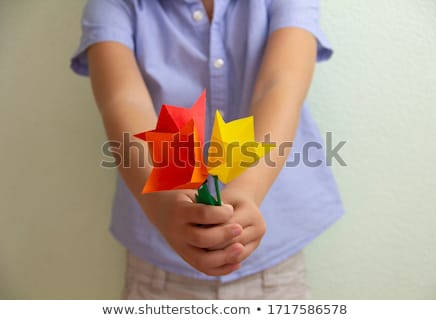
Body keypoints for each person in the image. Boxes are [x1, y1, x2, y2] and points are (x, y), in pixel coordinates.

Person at [70, 0, 344, 299]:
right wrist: (165, 204)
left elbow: (279, 87)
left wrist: (248, 188)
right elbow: (123, 102)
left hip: (273, 264)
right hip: (159, 269)